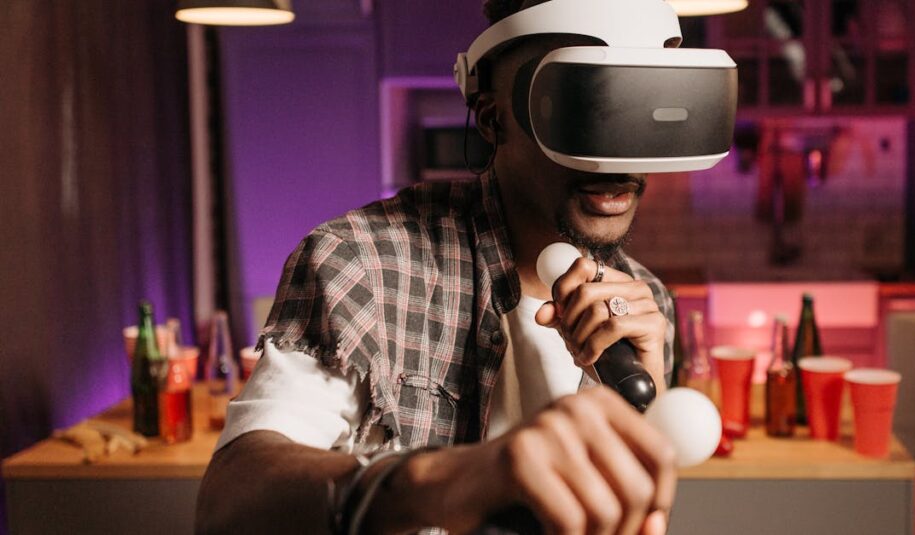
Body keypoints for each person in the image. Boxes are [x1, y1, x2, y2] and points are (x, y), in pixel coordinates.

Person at [197, 1, 685, 533]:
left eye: (641, 109)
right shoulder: (364, 262)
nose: (616, 158)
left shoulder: (646, 304)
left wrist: (638, 413)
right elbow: (230, 503)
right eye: (581, 108)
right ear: (493, 119)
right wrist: (453, 477)